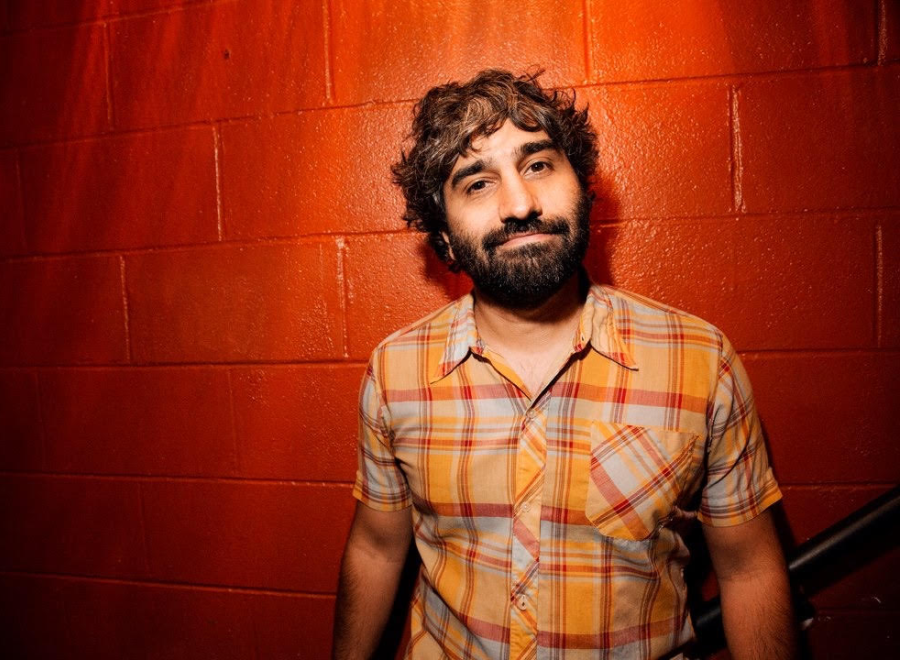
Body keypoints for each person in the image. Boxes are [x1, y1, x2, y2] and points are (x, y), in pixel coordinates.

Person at [332, 69, 796, 660]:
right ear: (444, 238)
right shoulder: (395, 372)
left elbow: (750, 569)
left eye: (538, 165)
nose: (520, 204)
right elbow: (376, 549)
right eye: (478, 183)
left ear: (582, 188)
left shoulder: (700, 361)